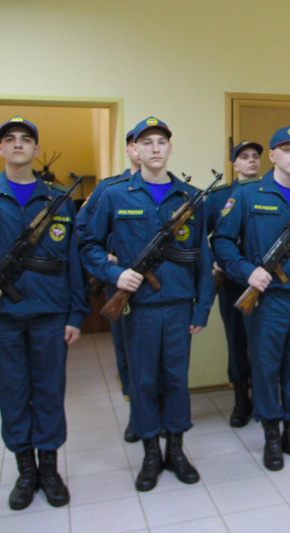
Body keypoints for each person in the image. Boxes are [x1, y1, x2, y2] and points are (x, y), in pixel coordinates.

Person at [0, 116, 89, 510]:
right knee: (13, 394)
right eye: (9, 139)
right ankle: (25, 471)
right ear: (0, 149)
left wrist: (76, 315)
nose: (17, 145)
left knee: (49, 392)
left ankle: (49, 468)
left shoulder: (59, 200)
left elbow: (74, 263)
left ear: (35, 149)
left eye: (26, 139)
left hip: (50, 315)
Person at [81, 116, 214, 491]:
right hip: (135, 309)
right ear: (135, 150)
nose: (155, 148)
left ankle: (176, 449)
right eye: (147, 142)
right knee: (142, 381)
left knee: (175, 380)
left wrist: (201, 307)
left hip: (177, 308)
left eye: (161, 142)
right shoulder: (114, 195)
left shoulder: (190, 198)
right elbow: (88, 245)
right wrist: (114, 276)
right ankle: (150, 454)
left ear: (170, 149)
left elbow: (200, 255)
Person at [212, 126, 290, 471]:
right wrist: (246, 271)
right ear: (273, 155)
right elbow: (220, 241)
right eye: (287, 148)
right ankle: (270, 434)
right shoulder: (250, 195)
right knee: (266, 369)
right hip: (267, 301)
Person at [75, 127, 142, 443]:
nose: (144, 149)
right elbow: (83, 231)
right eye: (136, 144)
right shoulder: (108, 189)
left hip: (157, 286)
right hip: (120, 283)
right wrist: (107, 262)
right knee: (126, 349)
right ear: (129, 150)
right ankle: (135, 411)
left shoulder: (174, 190)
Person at [204, 140, 263, 427]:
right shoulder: (218, 198)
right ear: (234, 164)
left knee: (265, 341)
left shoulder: (272, 192)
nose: (251, 161)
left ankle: (265, 397)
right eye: (244, 157)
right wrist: (214, 259)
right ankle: (242, 400)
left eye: (255, 157)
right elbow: (197, 238)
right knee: (237, 343)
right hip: (232, 282)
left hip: (264, 282)